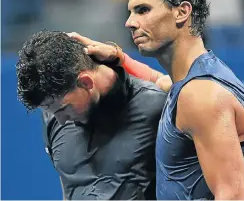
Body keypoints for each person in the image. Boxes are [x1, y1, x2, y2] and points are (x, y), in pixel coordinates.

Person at [70, 0, 244, 200]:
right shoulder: (192, 83)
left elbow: (233, 196)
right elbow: (159, 80)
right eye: (131, 12)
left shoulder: (201, 96)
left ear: (182, 12)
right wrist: (120, 57)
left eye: (142, 10)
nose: (130, 22)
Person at [16, 30, 168, 200]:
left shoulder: (157, 106)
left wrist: (120, 56)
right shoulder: (53, 116)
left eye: (63, 109)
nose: (61, 120)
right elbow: (70, 186)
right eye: (49, 111)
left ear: (86, 82)